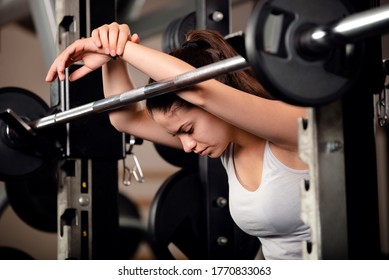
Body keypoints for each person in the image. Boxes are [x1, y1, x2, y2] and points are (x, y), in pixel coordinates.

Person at [45, 22, 311, 260]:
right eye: (178, 135)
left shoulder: (291, 129)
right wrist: (111, 55)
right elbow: (124, 120)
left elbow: (200, 90)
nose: (187, 146)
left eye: (188, 128)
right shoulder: (229, 149)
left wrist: (122, 46)